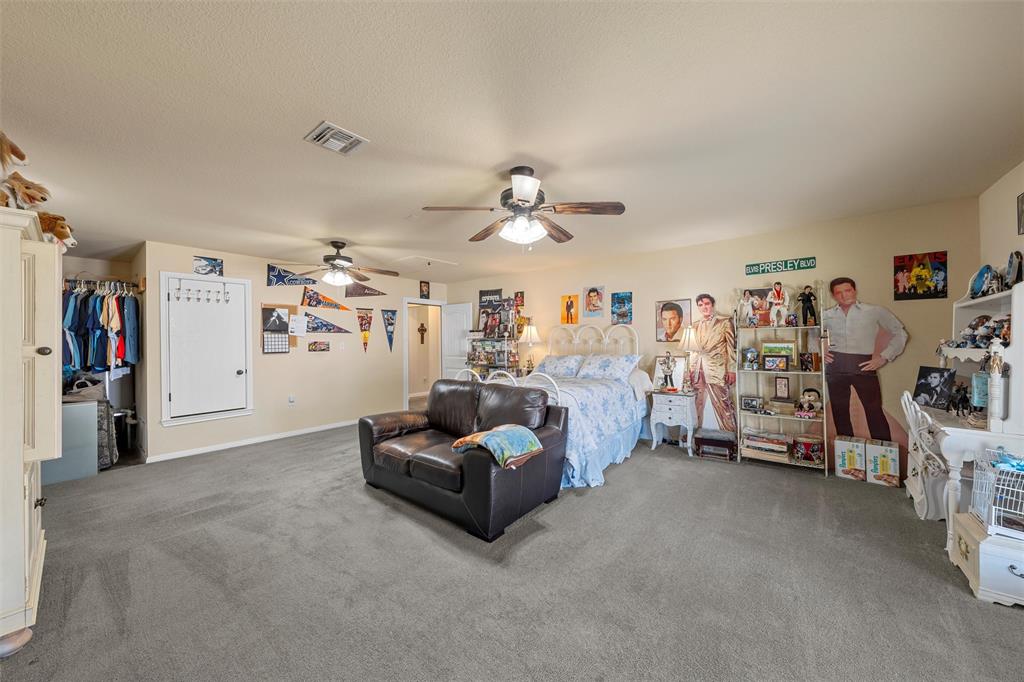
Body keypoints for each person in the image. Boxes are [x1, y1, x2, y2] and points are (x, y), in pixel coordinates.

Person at [822, 277, 907, 440]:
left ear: (854, 290)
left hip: (864, 364)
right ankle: (846, 454)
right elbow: (811, 332)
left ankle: (883, 453)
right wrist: (819, 351)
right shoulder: (826, 314)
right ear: (833, 296)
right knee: (839, 411)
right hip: (835, 365)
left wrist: (883, 358)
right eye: (838, 293)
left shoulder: (874, 311)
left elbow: (900, 333)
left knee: (873, 410)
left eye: (847, 290)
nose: (844, 295)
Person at [689, 293, 736, 432]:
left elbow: (731, 347)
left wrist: (731, 369)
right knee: (696, 402)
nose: (704, 307)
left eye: (707, 304)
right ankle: (694, 436)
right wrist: (690, 369)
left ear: (712, 305)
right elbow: (693, 350)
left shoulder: (725, 322)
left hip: (717, 369)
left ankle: (730, 436)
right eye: (700, 305)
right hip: (698, 368)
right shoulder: (695, 325)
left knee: (723, 403)